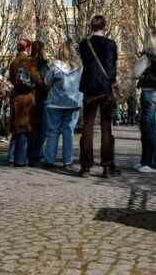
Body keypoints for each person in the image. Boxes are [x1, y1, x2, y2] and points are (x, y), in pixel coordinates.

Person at [78, 15, 120, 178]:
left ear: (91, 27)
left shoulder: (83, 44)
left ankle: (86, 166)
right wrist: (112, 80)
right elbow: (111, 66)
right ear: (105, 26)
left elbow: (86, 64)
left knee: (87, 127)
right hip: (105, 89)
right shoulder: (110, 44)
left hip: (89, 87)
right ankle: (107, 166)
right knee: (106, 127)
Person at [133, 31, 156, 173]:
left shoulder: (148, 55)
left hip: (149, 92)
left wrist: (139, 60)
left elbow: (135, 73)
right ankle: (145, 161)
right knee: (146, 127)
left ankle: (155, 163)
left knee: (149, 128)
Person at [42, 41, 83, 169]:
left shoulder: (54, 66)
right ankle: (67, 161)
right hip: (73, 102)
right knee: (68, 132)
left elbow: (47, 82)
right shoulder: (80, 67)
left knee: (52, 131)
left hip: (55, 103)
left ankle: (49, 160)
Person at [6, 39, 43, 167]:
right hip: (27, 98)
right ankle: (20, 160)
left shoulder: (14, 62)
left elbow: (11, 79)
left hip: (16, 97)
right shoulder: (29, 62)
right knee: (24, 129)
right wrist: (44, 85)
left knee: (16, 128)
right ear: (28, 48)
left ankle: (11, 158)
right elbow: (37, 79)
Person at [27, 41, 50, 164]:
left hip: (32, 98)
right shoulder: (40, 64)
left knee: (33, 128)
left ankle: (34, 153)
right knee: (42, 129)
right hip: (40, 99)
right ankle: (34, 154)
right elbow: (43, 82)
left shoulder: (29, 62)